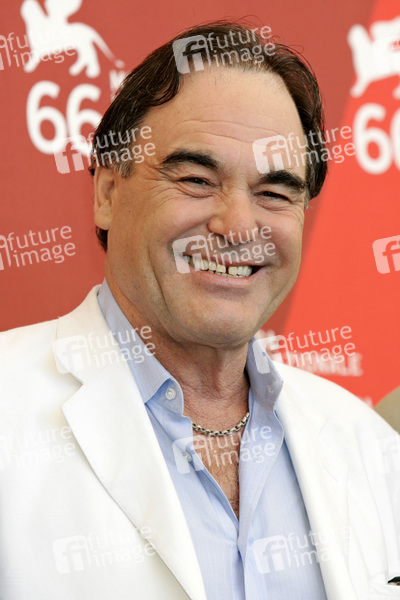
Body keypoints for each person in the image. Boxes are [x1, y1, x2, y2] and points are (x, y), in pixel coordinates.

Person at [0, 22, 399, 600]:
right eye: (196, 179)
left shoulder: (369, 446)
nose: (238, 226)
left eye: (274, 193)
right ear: (108, 194)